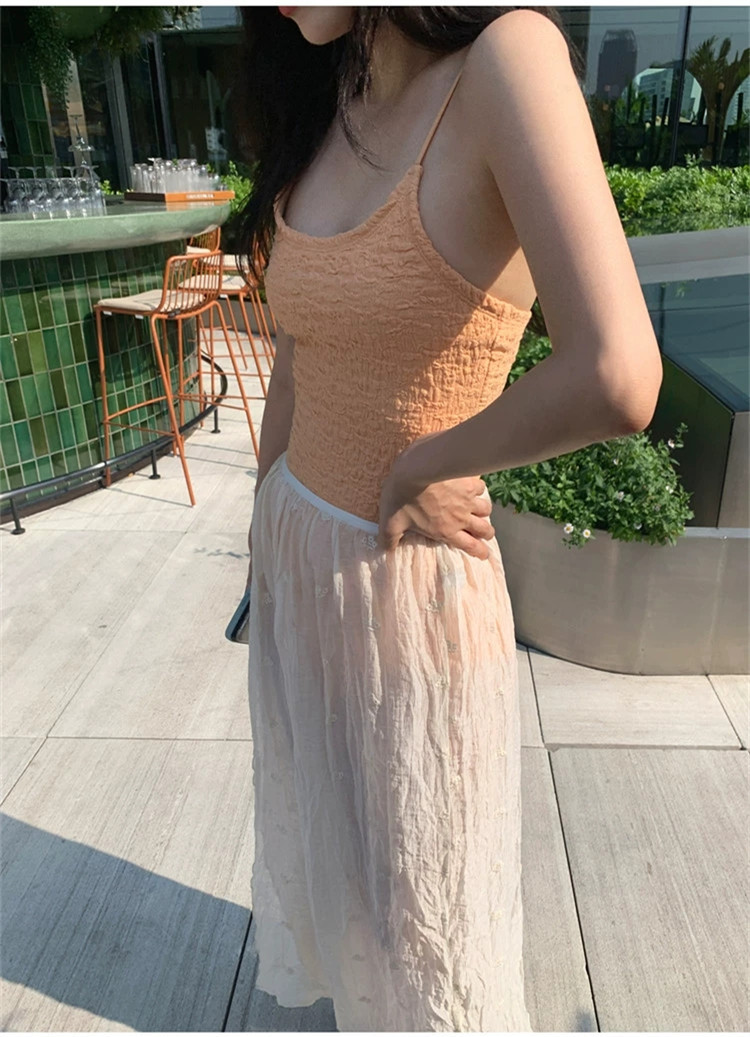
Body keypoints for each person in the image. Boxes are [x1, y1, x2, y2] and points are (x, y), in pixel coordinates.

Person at [235, 6, 662, 1031]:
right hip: (298, 558)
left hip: (409, 586)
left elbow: (618, 372)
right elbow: (300, 340)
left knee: (432, 940)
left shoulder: (505, 61)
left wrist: (426, 461)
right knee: (345, 888)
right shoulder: (334, 89)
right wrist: (262, 523)